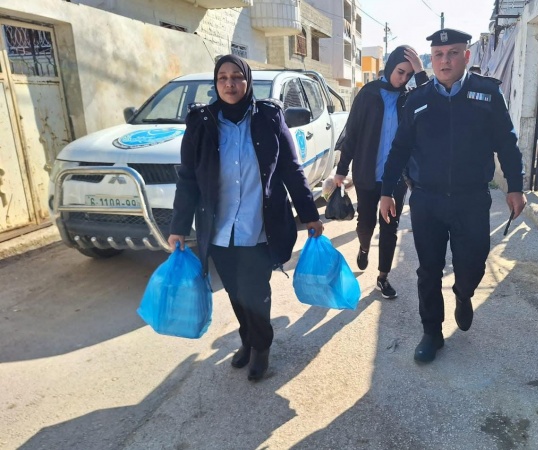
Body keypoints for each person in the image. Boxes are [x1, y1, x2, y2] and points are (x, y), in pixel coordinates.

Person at [168, 54, 324, 381]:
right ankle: (246, 339)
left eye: (237, 77)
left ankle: (261, 347)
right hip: (219, 229)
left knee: (256, 291)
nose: (230, 84)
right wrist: (179, 227)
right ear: (216, 83)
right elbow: (188, 178)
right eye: (223, 77)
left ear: (248, 80)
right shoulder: (201, 123)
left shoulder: (269, 117)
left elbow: (291, 170)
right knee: (236, 292)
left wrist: (309, 214)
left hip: (258, 227)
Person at [379, 29, 527, 364]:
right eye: (439, 54)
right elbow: (399, 149)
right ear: (432, 59)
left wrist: (515, 187)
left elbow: (507, 143)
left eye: (453, 53)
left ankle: (463, 293)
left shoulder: (487, 95)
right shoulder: (417, 99)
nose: (445, 60)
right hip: (427, 201)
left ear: (466, 56)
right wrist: (387, 192)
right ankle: (431, 332)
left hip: (471, 200)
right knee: (428, 269)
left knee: (472, 262)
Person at [334, 45, 428, 299]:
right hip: (366, 173)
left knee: (390, 226)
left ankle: (383, 277)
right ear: (389, 67)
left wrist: (420, 71)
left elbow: (430, 100)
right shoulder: (369, 94)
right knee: (366, 222)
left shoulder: (409, 97)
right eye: (400, 72)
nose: (403, 79)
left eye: (408, 75)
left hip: (396, 178)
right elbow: (352, 133)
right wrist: (341, 171)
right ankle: (364, 247)